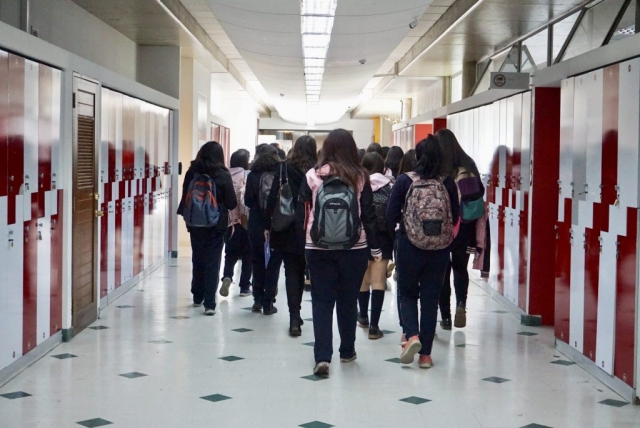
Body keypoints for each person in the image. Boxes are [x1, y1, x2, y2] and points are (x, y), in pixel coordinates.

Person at [299, 129, 381, 376]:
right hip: (354, 247)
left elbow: (302, 210)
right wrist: (375, 248)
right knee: (348, 299)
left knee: (322, 301)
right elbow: (368, 214)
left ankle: (322, 356)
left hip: (317, 247)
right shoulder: (360, 176)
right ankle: (347, 351)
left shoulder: (313, 175)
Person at [386, 136, 459, 368]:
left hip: (409, 246)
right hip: (439, 250)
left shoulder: (404, 181)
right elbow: (456, 216)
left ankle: (412, 335)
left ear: (417, 156)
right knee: (430, 300)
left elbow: (390, 215)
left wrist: (401, 232)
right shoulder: (447, 183)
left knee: (407, 294)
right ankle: (426, 356)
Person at [177, 141, 237, 315]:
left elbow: (185, 196)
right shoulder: (223, 175)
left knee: (198, 256)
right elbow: (232, 202)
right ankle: (209, 303)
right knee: (213, 261)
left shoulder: (192, 171)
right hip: (216, 224)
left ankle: (197, 295)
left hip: (195, 223)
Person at [267, 135, 317, 336]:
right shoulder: (318, 170)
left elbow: (273, 197)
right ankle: (319, 315)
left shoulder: (284, 168)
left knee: (291, 272)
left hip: (287, 228)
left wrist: (268, 223)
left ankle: (294, 317)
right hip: (313, 229)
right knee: (314, 272)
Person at [436, 128, 484, 330]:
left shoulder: (442, 169)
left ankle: (445, 317)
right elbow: (480, 192)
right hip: (465, 227)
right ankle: (461, 305)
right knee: (460, 268)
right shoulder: (469, 165)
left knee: (443, 270)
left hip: (446, 226)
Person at [357, 152, 393, 340]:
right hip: (384, 238)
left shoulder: (359, 184)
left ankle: (362, 316)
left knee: (364, 279)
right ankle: (374, 327)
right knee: (378, 281)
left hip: (362, 236)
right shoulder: (390, 186)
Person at [245, 144, 283, 315]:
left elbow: (247, 201)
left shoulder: (253, 175)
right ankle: (269, 302)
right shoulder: (280, 174)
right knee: (273, 263)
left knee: (257, 260)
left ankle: (257, 299)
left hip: (256, 223)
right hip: (276, 223)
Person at [221, 150, 252, 297]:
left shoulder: (225, 174)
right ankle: (245, 287)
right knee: (248, 255)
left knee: (230, 253)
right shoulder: (247, 174)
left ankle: (227, 276)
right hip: (246, 221)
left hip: (229, 222)